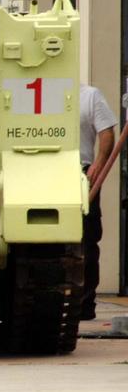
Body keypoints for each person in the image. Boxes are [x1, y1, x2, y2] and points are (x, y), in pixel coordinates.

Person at [79, 83, 117, 320]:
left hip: (81, 175)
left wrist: (97, 167)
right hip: (45, 175)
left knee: (87, 240)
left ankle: (84, 304)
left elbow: (107, 133)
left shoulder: (89, 95)